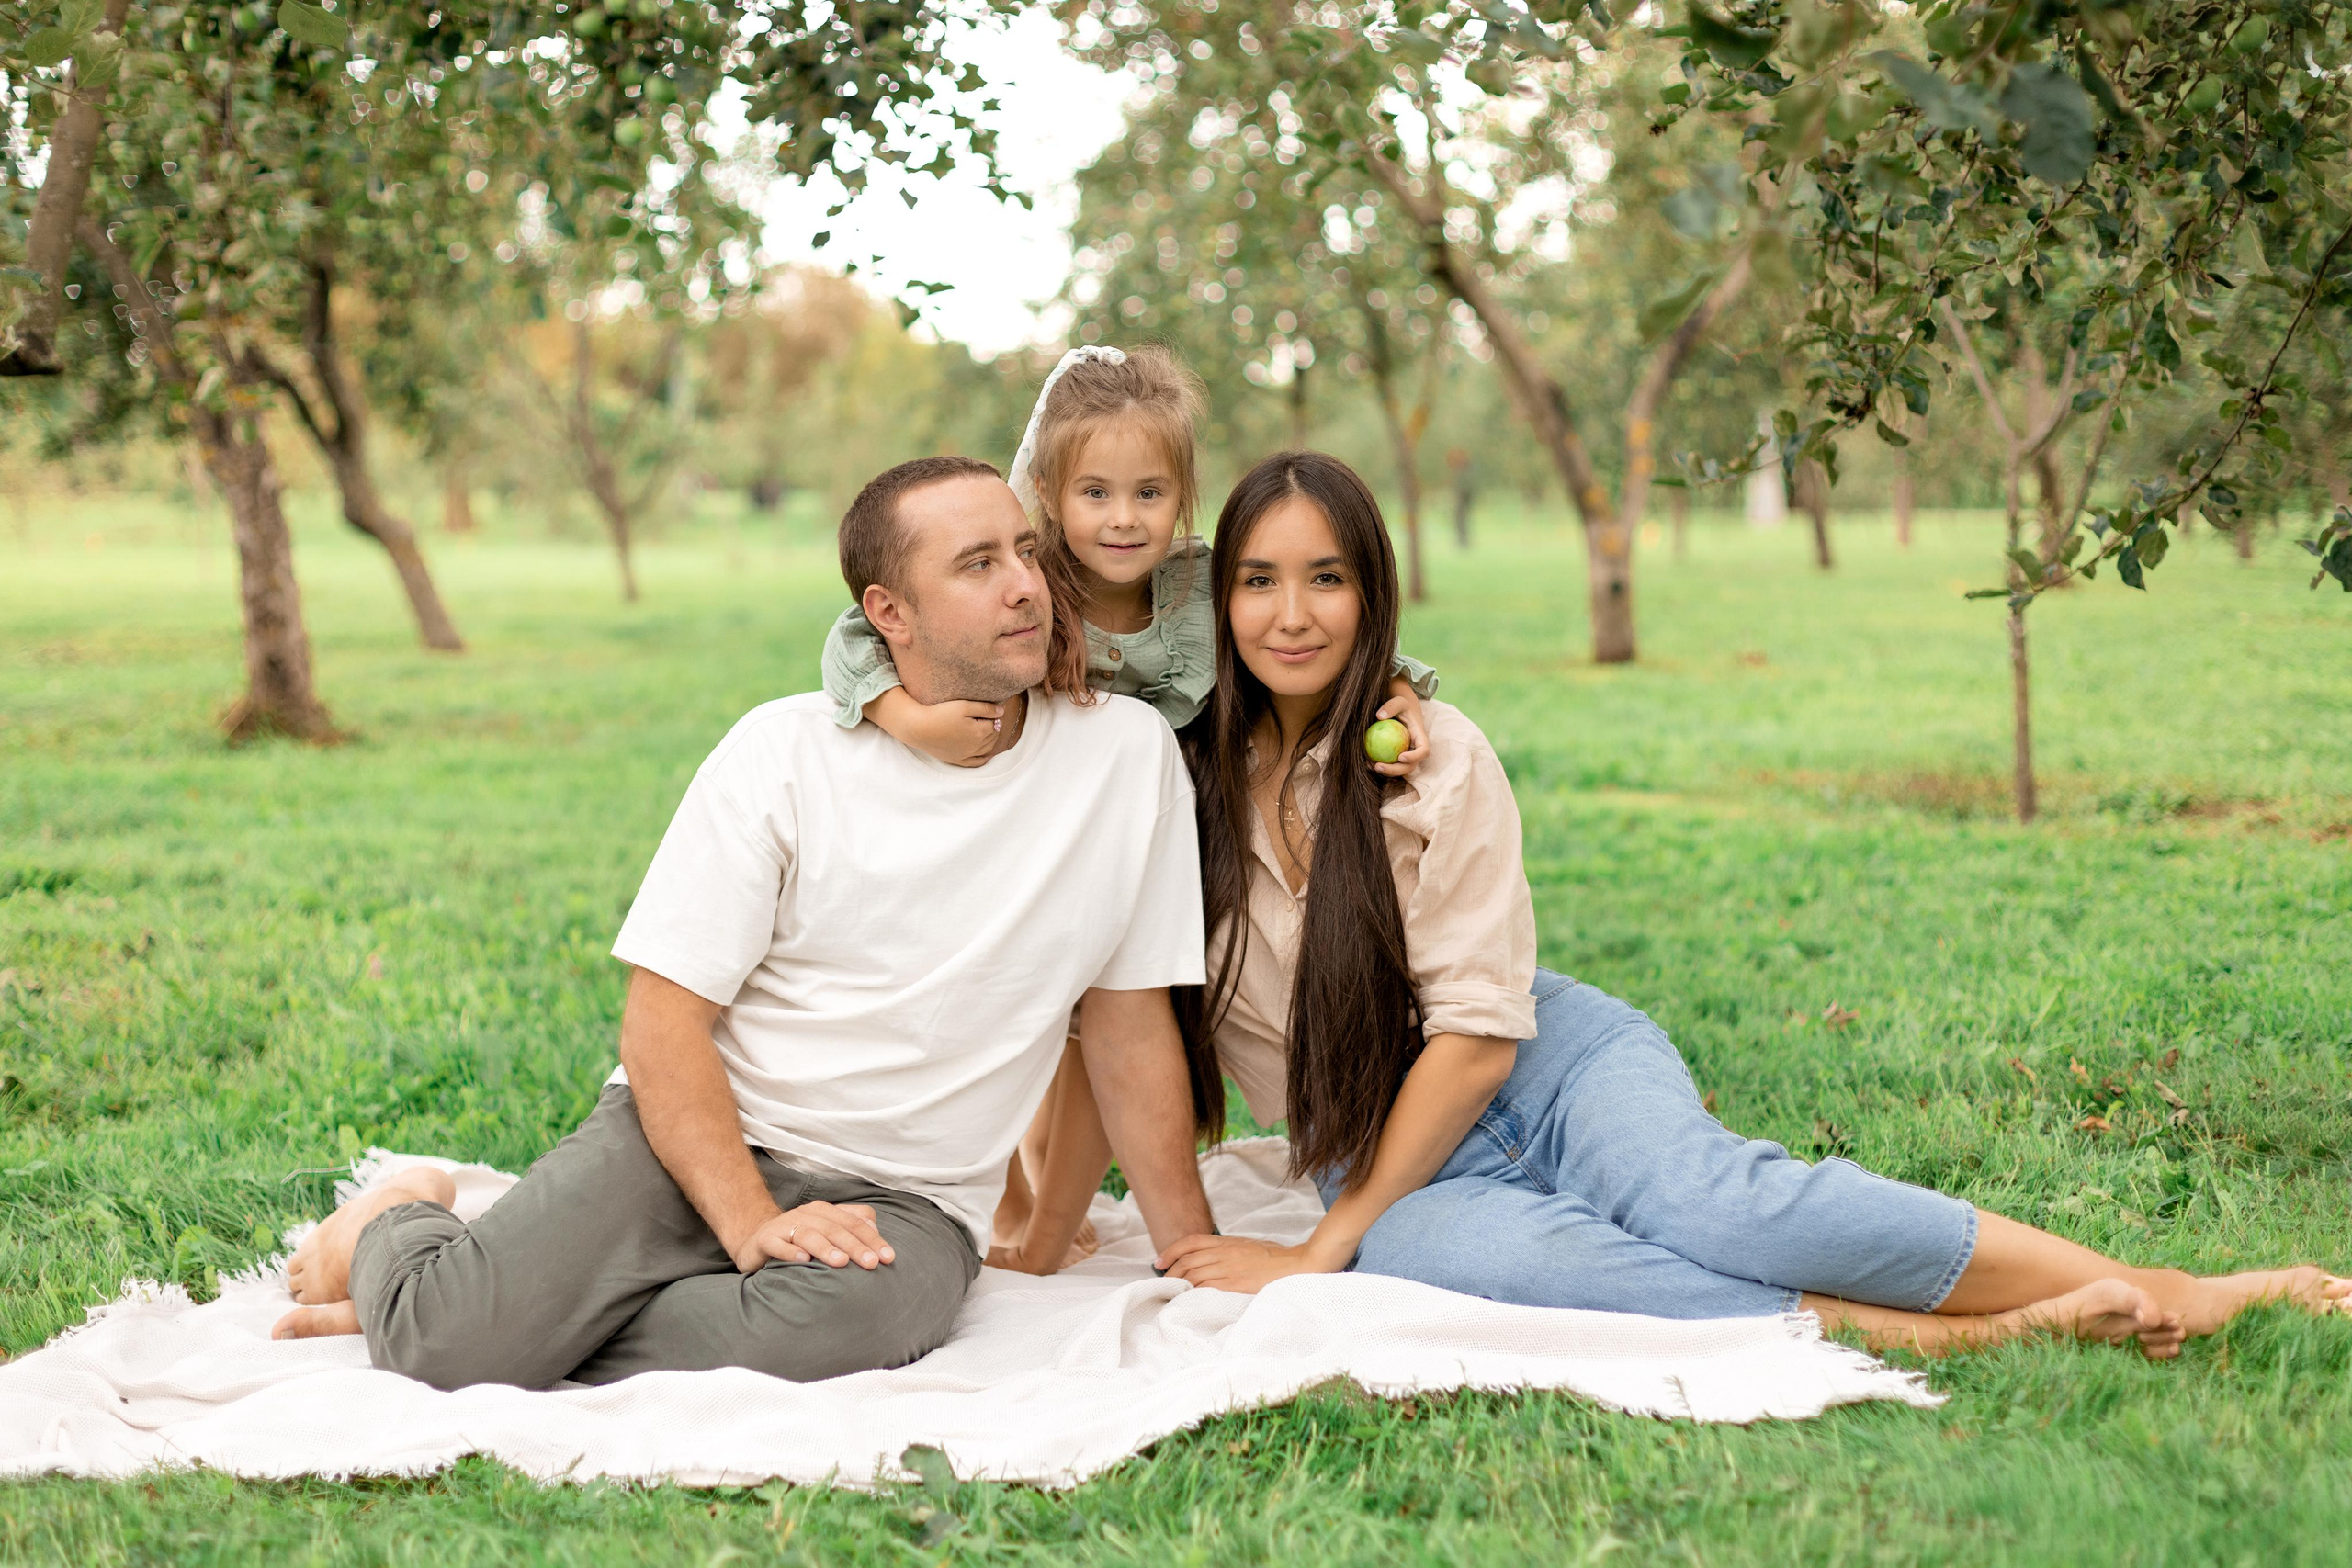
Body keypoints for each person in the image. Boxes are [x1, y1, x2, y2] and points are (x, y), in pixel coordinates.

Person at [1044, 449, 2352, 1356]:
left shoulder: (1437, 758)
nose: (1292, 613)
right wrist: (1039, 1222)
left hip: (1543, 1062)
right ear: (1216, 602)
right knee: (1534, 1274)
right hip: (1372, 1142)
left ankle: (2173, 1284)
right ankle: (1978, 1333)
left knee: (1722, 1209)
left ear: (1371, 594)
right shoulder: (1169, 780)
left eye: (1327, 577)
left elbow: (1482, 1037)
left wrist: (1322, 1244)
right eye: (1259, 580)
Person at [269, 455, 1219, 1388]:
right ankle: (397, 1219)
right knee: (443, 1350)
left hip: (909, 1199)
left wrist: (1191, 1250)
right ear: (889, 612)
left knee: (843, 1327)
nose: (1025, 586)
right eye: (978, 565)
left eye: (1025, 551)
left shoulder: (1126, 759)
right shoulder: (781, 752)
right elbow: (662, 1024)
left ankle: (525, 1313)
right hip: (699, 1134)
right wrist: (751, 1224)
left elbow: (1129, 1026)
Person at [819, 345, 1441, 1270]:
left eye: (1150, 493)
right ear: (1048, 493)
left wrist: (1399, 689)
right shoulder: (1031, 585)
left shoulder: (1197, 586)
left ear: (1183, 496)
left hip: (1153, 830)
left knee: (1103, 1020)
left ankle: (1045, 1227)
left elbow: (1304, 630)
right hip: (1031, 822)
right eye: (1095, 493)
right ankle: (1014, 1200)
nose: (1123, 518)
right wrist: (909, 718)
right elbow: (854, 636)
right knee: (1011, 1016)